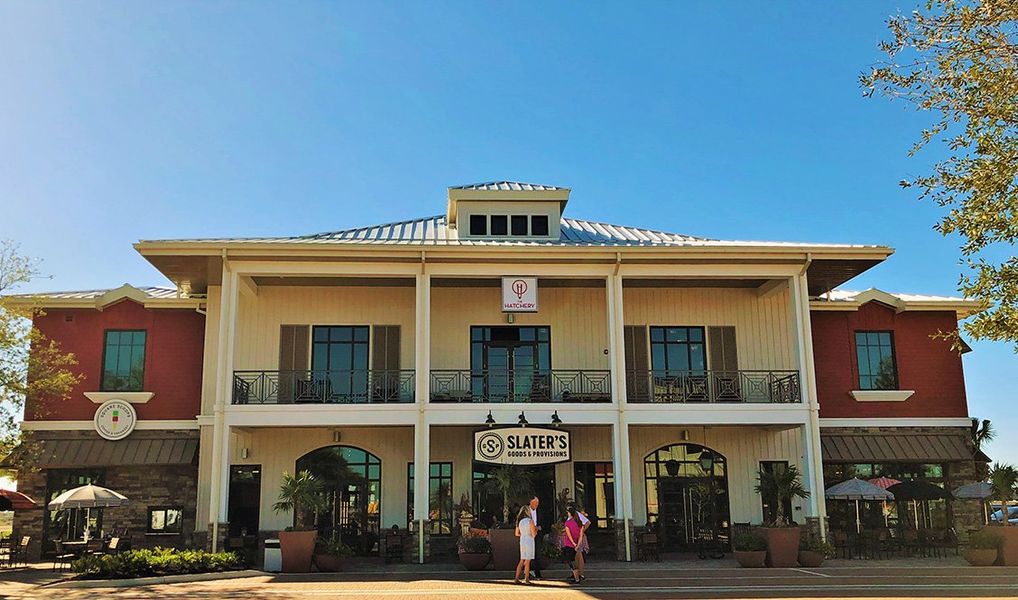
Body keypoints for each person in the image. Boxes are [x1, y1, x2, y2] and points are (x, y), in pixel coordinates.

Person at [562, 506, 586, 584]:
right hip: (576, 544)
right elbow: (580, 535)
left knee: (571, 561)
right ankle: (578, 576)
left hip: (569, 544)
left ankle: (576, 579)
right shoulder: (580, 523)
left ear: (570, 514)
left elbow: (568, 535)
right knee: (575, 560)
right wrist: (578, 545)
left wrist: (573, 543)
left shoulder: (568, 523)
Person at [514, 507, 537, 585]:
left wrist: (523, 534)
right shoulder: (530, 521)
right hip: (529, 541)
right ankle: (526, 578)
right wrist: (536, 530)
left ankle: (516, 578)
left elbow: (516, 533)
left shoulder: (519, 522)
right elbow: (533, 534)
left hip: (522, 540)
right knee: (527, 561)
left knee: (522, 560)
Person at [527, 495, 543, 579]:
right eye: (535, 503)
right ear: (531, 502)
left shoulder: (539, 511)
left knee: (537, 554)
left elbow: (542, 521)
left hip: (537, 534)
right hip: (528, 534)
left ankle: (537, 573)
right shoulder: (526, 511)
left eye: (537, 503)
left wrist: (539, 527)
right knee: (528, 554)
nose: (537, 504)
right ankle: (528, 572)